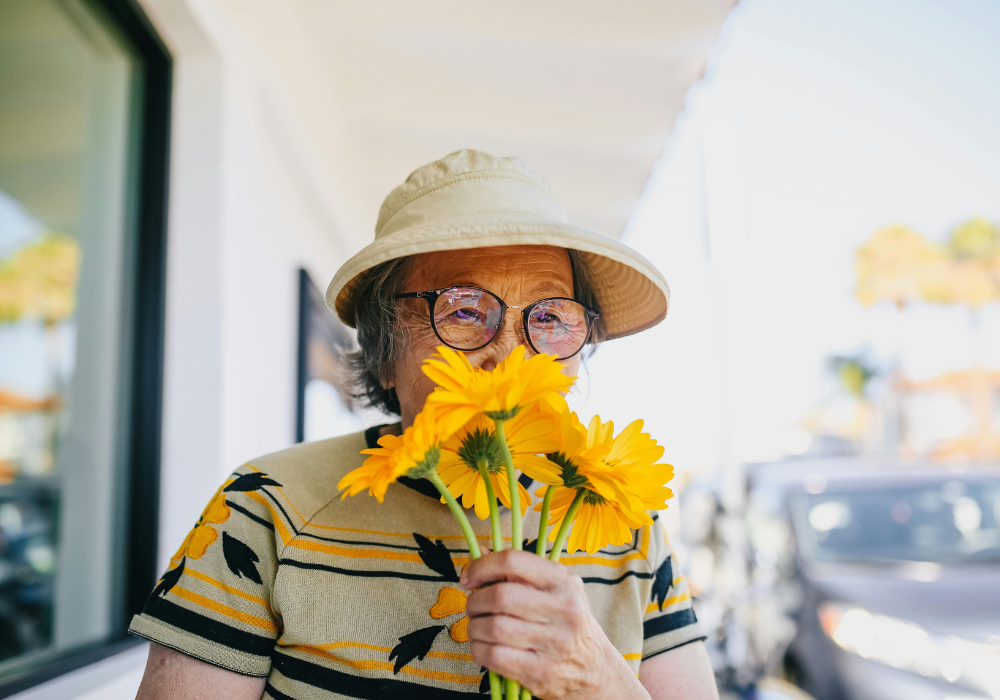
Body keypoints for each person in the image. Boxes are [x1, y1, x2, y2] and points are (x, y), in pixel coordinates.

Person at [133, 150, 719, 700]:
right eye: (463, 310)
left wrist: (599, 680)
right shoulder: (266, 507)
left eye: (549, 317)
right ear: (385, 356)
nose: (509, 356)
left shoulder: (628, 524)